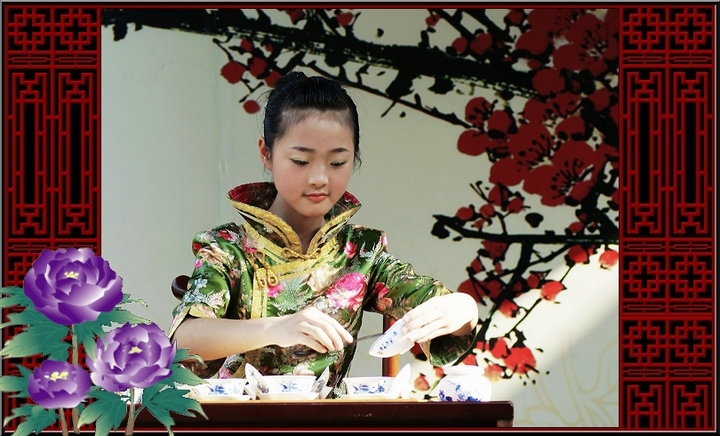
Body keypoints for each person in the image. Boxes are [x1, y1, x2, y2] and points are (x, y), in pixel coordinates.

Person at [168, 71, 479, 397]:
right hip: (240, 418)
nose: (319, 177)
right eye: (301, 160)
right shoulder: (228, 248)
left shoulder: (362, 251)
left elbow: (431, 303)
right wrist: (276, 328)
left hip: (329, 418)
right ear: (266, 153)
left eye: (337, 162)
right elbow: (182, 341)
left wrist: (463, 309)